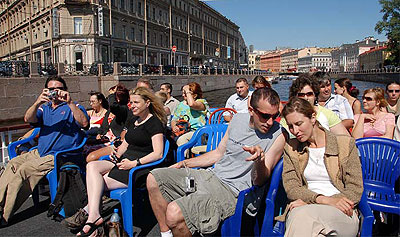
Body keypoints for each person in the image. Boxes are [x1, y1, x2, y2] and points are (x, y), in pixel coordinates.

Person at [147, 87, 285, 237]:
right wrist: (185, 163)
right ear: (251, 110)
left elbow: (260, 181)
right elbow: (219, 153)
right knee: (154, 178)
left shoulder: (279, 135)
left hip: (233, 192)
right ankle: (165, 233)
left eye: (275, 115)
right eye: (265, 116)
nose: (271, 122)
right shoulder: (238, 119)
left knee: (174, 213)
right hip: (211, 176)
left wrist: (259, 161)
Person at [72, 87, 166, 236]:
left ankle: (92, 217)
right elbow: (126, 143)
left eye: (136, 102)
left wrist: (134, 163)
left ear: (147, 103)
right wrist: (116, 153)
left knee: (97, 183)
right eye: (131, 102)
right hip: (123, 161)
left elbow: (158, 153)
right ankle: (94, 216)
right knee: (92, 165)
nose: (131, 105)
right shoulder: (135, 121)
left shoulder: (154, 123)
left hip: (139, 168)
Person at [0, 76, 89, 225]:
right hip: (40, 152)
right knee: (13, 164)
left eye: (59, 89)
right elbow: (28, 119)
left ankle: (5, 215)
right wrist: (37, 102)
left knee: (24, 170)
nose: (56, 92)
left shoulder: (74, 107)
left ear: (65, 90)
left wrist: (70, 102)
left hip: (58, 155)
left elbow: (84, 123)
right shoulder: (44, 107)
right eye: (52, 89)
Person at [277, 97, 363, 236]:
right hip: (305, 207)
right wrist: (322, 200)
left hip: (341, 211)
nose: (295, 130)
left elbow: (355, 189)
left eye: (299, 123)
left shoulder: (345, 145)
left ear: (312, 117)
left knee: (302, 217)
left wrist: (323, 203)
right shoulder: (291, 148)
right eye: (291, 126)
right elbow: (292, 188)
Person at [280, 74, 349, 136]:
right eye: (301, 95)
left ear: (315, 95)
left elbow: (346, 139)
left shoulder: (327, 114)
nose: (306, 98)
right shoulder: (288, 117)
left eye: (309, 94)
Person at [85, 84, 130, 162]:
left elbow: (113, 106)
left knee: (90, 156)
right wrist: (99, 133)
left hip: (114, 142)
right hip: (104, 139)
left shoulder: (124, 110)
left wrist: (112, 94)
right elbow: (103, 125)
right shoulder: (109, 111)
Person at [171, 82, 209, 146]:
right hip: (183, 130)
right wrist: (174, 126)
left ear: (195, 95)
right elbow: (174, 119)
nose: (183, 95)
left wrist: (187, 91)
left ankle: (185, 156)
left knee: (181, 140)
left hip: (198, 132)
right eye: (183, 93)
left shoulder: (202, 102)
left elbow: (192, 104)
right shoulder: (181, 104)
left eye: (185, 93)